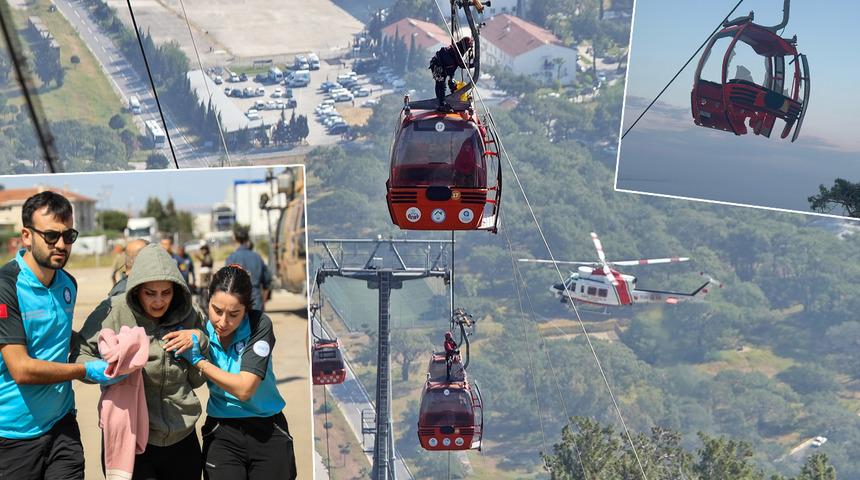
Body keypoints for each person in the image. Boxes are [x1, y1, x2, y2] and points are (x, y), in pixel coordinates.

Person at [0, 191, 122, 479]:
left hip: (62, 425)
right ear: (26, 236)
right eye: (51, 236)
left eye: (69, 236)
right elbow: (21, 369)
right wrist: (84, 370)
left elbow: (61, 335)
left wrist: (100, 349)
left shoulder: (68, 283)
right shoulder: (6, 287)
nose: (62, 245)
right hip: (13, 436)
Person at [75, 244, 210, 479]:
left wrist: (200, 339)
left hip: (182, 437)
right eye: (150, 293)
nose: (159, 301)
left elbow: (202, 374)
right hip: (133, 440)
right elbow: (80, 353)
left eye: (166, 293)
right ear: (136, 289)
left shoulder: (190, 313)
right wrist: (99, 370)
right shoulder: (114, 311)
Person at [181, 265, 297, 479]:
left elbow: (245, 389)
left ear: (246, 310)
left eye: (234, 314)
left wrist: (199, 362)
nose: (223, 322)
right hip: (222, 432)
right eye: (217, 310)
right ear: (208, 301)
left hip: (267, 430)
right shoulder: (200, 326)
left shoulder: (258, 324)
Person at [225, 226, 271, 312]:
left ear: (235, 238)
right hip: (256, 302)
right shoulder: (257, 257)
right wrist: (263, 302)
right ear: (247, 238)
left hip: (237, 303)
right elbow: (267, 283)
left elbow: (226, 283)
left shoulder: (231, 258)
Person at [429, 36, 473, 111]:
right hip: (437, 64)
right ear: (464, 45)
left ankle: (446, 100)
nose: (467, 49)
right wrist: (473, 64)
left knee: (450, 83)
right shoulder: (457, 49)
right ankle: (441, 104)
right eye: (468, 47)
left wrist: (451, 79)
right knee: (441, 84)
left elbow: (455, 64)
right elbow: (461, 64)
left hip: (444, 66)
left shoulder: (459, 48)